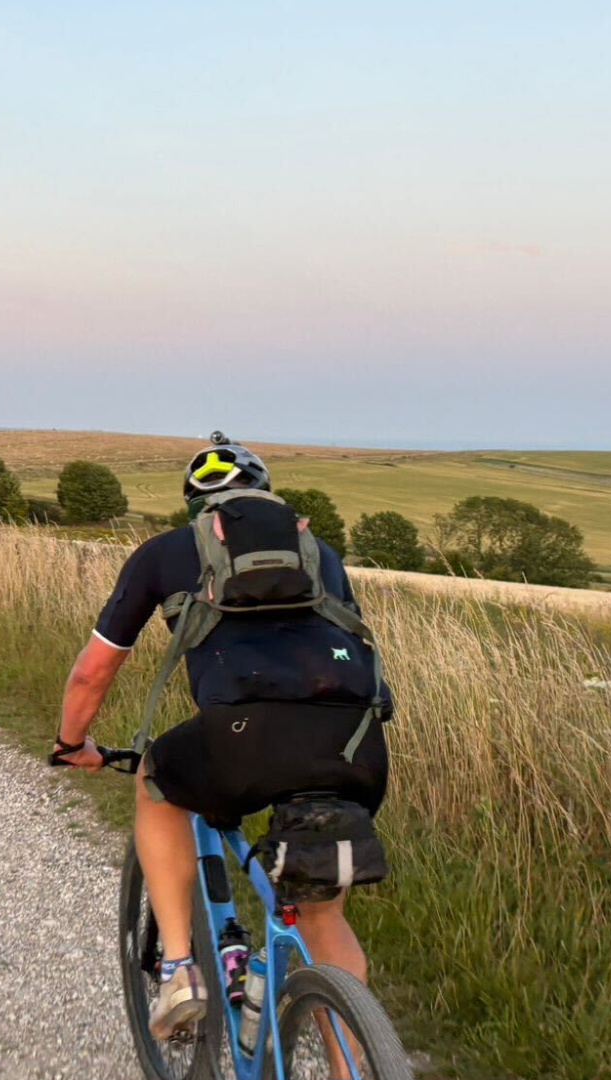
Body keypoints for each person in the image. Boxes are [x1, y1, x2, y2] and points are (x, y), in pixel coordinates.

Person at [50, 438, 391, 1047]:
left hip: (239, 739)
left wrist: (72, 743)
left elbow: (91, 673)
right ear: (265, 497)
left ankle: (179, 970)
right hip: (351, 744)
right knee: (321, 911)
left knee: (157, 780)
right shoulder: (320, 552)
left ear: (196, 505)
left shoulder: (166, 552)